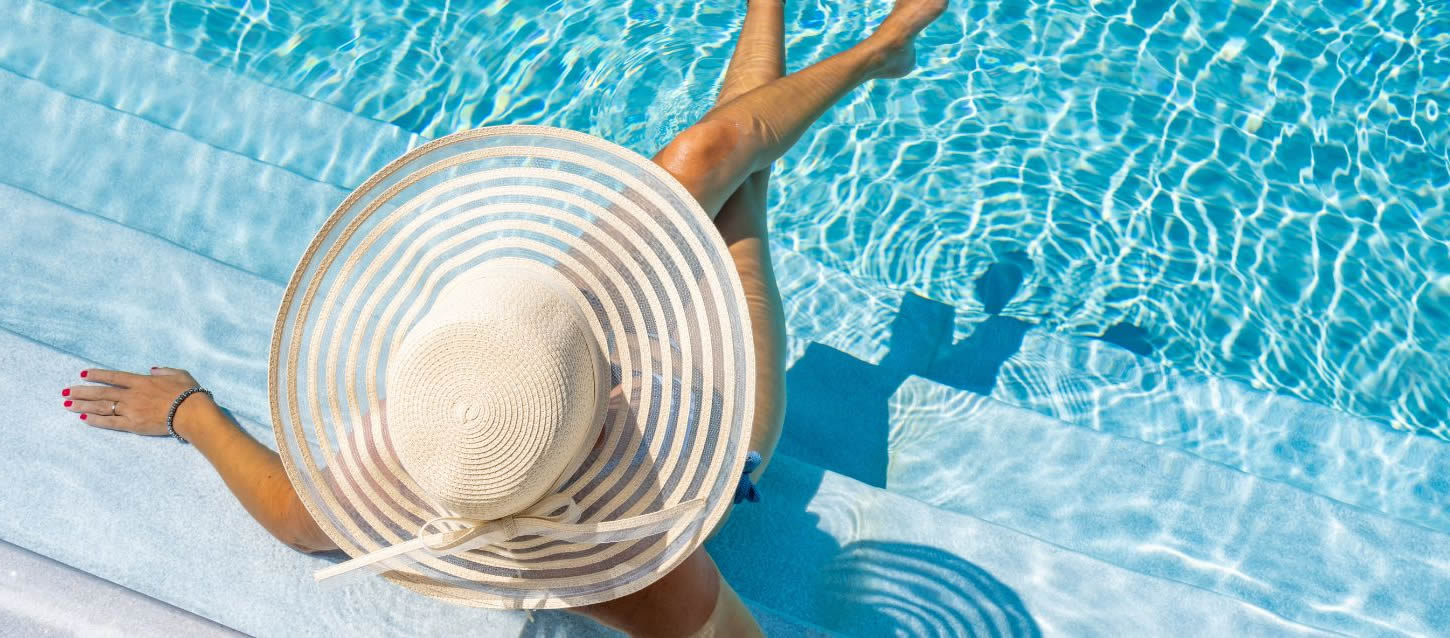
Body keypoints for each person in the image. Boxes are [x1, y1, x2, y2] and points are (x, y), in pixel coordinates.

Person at [58, 0, 947, 635]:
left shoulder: (451, 416)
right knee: (740, 207)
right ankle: (875, 48)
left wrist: (192, 413)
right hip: (715, 418)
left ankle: (806, 23)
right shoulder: (635, 577)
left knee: (705, 156)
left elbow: (295, 517)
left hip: (547, 352)